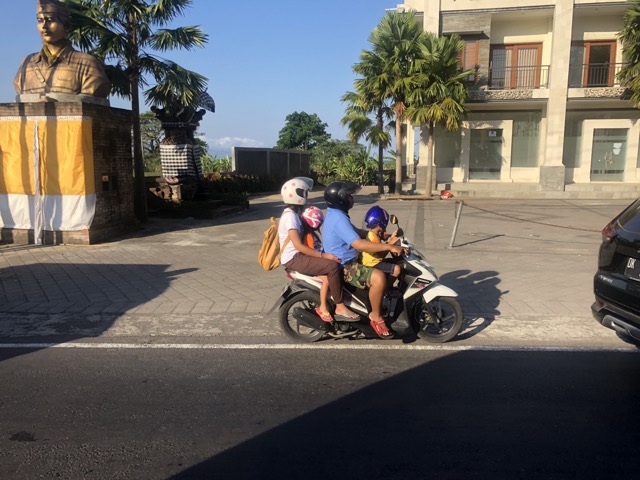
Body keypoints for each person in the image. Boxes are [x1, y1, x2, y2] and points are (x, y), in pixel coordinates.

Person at [322, 181, 403, 339]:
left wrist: (381, 235)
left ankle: (378, 302)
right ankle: (376, 316)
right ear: (341, 199)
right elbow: (359, 244)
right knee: (378, 277)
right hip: (344, 266)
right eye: (349, 196)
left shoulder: (336, 214)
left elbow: (356, 232)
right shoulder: (338, 218)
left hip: (348, 260)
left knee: (385, 269)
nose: (352, 198)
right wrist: (389, 247)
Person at [278, 178, 358, 322]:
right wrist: (324, 255)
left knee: (329, 267)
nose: (307, 196)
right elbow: (298, 246)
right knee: (332, 266)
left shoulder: (293, 213)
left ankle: (327, 305)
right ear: (298, 195)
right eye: (305, 193)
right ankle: (340, 306)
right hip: (294, 258)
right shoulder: (290, 216)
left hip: (297, 255)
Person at [14, 0, 111, 99]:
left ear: (67, 26)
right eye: (40, 20)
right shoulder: (27, 64)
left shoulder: (88, 64)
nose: (44, 26)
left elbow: (90, 103)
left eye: (50, 20)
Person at [301, 206, 332, 322]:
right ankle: (323, 306)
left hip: (314, 261)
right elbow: (315, 253)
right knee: (327, 280)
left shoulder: (309, 233)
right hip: (314, 263)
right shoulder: (309, 236)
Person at [361, 206, 402, 289]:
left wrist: (391, 237)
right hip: (373, 264)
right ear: (381, 222)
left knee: (398, 262)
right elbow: (381, 255)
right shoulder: (373, 238)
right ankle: (386, 289)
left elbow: (384, 236)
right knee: (396, 269)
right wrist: (390, 244)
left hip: (375, 261)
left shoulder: (373, 233)